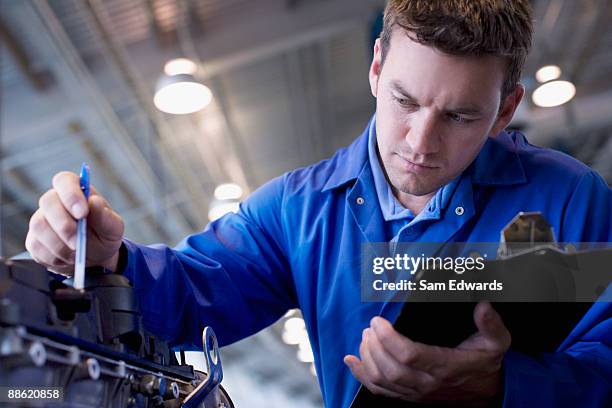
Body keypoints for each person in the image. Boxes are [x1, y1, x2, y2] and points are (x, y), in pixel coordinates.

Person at [25, 0, 611, 407]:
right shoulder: (298, 213)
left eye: (460, 116)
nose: (420, 143)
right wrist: (108, 261)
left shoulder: (569, 203)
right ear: (377, 69)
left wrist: (505, 387)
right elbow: (191, 293)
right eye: (405, 100)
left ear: (506, 109)